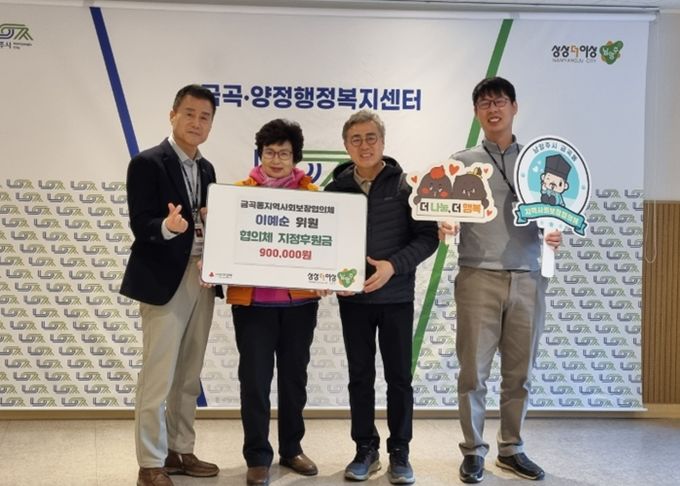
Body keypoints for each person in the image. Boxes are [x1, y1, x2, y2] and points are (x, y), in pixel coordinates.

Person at [439, 77, 562, 484]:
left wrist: (555, 231)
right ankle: (474, 450)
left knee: (520, 373)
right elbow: (446, 210)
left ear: (514, 107)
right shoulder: (461, 161)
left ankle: (511, 448)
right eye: (485, 103)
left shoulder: (537, 161)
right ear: (476, 112)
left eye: (501, 101)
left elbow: (556, 209)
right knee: (473, 373)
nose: (493, 109)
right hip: (478, 275)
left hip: (529, 277)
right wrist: (446, 224)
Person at [324, 110, 439, 484]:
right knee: (360, 377)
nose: (364, 145)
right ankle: (365, 449)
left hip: (396, 298)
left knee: (399, 379)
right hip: (353, 300)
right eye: (355, 139)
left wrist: (393, 266)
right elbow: (324, 244)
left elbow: (428, 238)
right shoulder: (335, 190)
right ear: (346, 146)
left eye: (370, 137)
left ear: (383, 142)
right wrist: (328, 276)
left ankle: (400, 451)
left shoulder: (406, 186)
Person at [121, 84, 222, 486]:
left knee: (189, 373)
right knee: (158, 375)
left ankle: (180, 449)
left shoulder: (207, 169)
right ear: (173, 115)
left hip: (202, 278)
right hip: (163, 280)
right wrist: (166, 226)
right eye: (190, 114)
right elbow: (140, 222)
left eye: (205, 117)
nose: (197, 122)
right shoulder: (147, 163)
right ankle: (150, 462)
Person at [227, 119, 320, 486]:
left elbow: (326, 247)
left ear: (295, 157)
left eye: (284, 153)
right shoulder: (238, 195)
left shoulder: (314, 196)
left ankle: (292, 448)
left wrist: (330, 275)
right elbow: (225, 243)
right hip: (253, 306)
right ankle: (257, 456)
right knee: (254, 382)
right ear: (260, 155)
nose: (277, 160)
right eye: (270, 152)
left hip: (299, 306)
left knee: (294, 380)